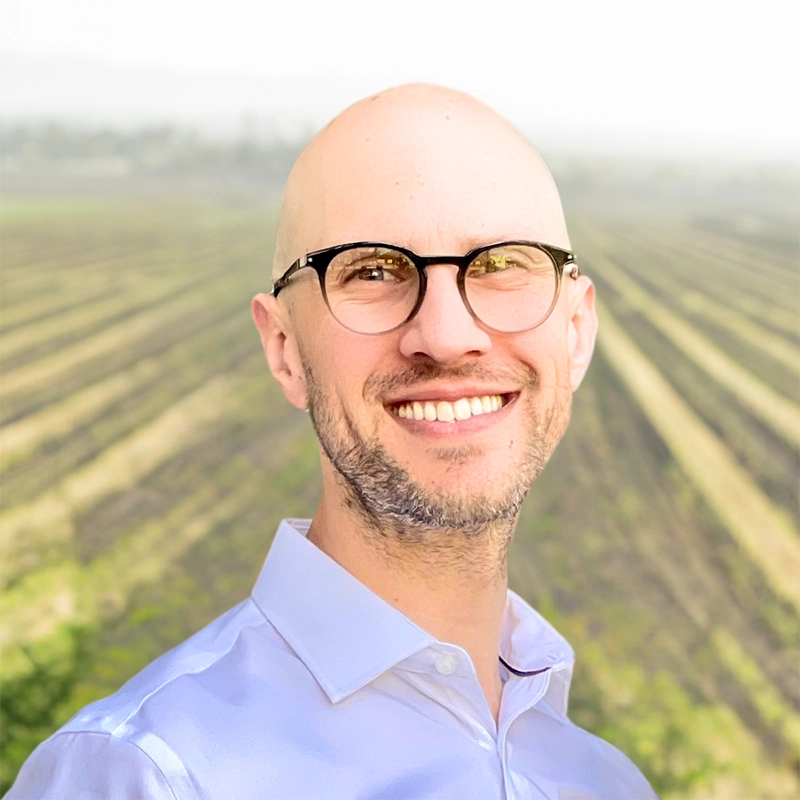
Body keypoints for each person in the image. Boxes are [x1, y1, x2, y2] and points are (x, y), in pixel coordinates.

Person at [8, 84, 657, 799]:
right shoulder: (144, 774)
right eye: (373, 271)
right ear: (284, 347)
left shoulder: (605, 783)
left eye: (503, 265)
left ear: (576, 332)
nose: (445, 335)